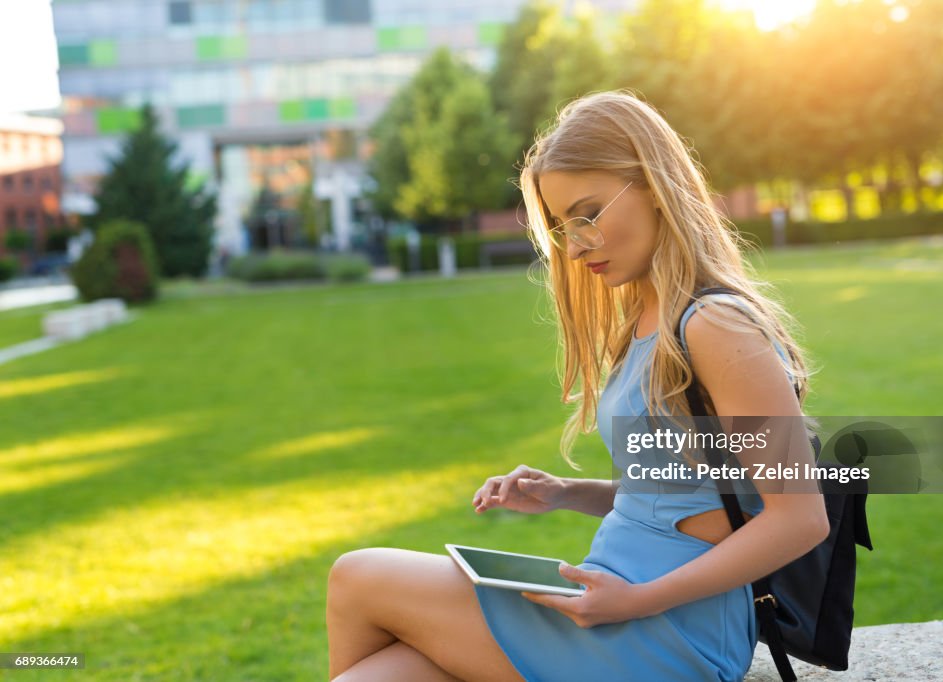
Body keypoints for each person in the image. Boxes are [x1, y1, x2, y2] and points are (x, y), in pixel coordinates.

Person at [325, 90, 829, 682]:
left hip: (668, 629)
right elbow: (684, 496)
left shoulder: (715, 324)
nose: (576, 243)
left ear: (654, 185)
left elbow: (799, 518)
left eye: (588, 213)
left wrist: (638, 601)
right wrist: (564, 491)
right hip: (611, 602)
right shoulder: (649, 319)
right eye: (563, 225)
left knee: (355, 575)